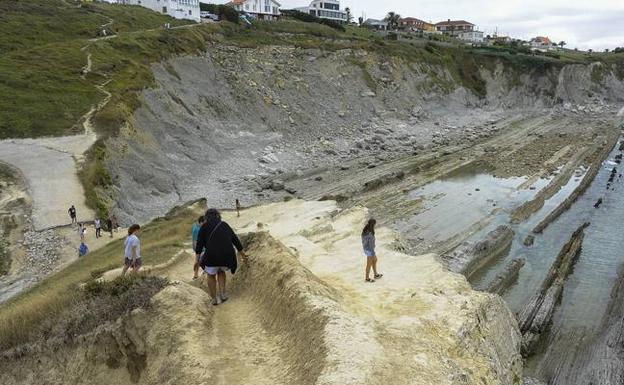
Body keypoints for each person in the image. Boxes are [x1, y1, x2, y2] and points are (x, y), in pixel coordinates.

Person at [195, 208, 247, 306]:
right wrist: (243, 255)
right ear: (218, 216)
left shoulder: (204, 226)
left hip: (211, 256)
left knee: (211, 275)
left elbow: (199, 245)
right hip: (226, 256)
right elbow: (235, 240)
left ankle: (214, 299)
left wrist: (197, 260)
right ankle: (223, 294)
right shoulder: (224, 224)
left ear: (206, 217)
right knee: (221, 271)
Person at [191, 215, 205, 280]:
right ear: (201, 222)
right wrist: (196, 249)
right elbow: (195, 240)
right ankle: (196, 275)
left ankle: (196, 275)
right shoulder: (197, 229)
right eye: (204, 222)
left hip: (200, 247)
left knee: (199, 261)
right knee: (199, 261)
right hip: (200, 248)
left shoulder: (195, 226)